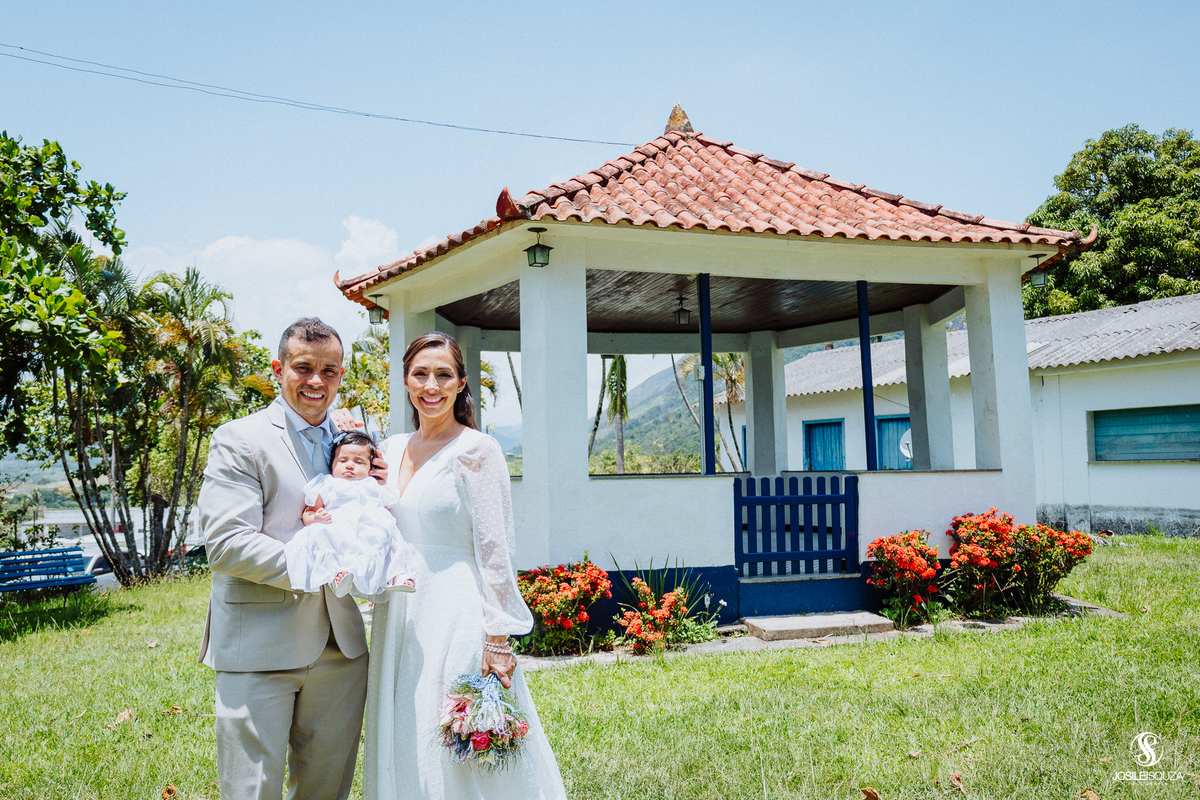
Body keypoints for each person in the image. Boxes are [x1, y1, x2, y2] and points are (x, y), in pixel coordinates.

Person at [363, 331, 567, 800]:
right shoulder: (390, 450)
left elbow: (496, 549)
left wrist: (498, 639)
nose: (431, 385)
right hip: (400, 614)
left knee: (455, 727)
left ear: (460, 384)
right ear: (405, 381)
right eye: (420, 374)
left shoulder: (477, 450)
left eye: (443, 375)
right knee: (405, 724)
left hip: (458, 610)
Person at [198, 317, 381, 800]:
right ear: (279, 369)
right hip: (260, 643)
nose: (317, 381)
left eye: (330, 370)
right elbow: (225, 542)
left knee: (326, 790)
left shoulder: (354, 444)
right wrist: (322, 564)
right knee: (251, 790)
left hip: (340, 648)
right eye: (303, 368)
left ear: (342, 375)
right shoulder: (239, 438)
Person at [285, 429, 417, 597]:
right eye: (342, 460)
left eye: (359, 462)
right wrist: (315, 517)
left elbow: (383, 507)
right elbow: (308, 512)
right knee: (324, 538)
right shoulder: (328, 485)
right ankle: (336, 574)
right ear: (332, 464)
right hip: (338, 527)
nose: (349, 465)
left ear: (371, 468)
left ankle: (396, 574)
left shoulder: (373, 485)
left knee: (391, 538)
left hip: (368, 530)